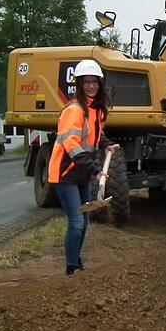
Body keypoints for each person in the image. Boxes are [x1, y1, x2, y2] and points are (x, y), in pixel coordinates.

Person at [49, 59, 116, 275]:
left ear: (100, 84)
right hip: (65, 172)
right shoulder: (74, 110)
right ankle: (71, 268)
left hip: (81, 173)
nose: (91, 86)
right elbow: (71, 144)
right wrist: (96, 169)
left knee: (85, 222)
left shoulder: (96, 109)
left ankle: (76, 261)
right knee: (77, 222)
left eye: (94, 82)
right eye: (86, 82)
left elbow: (96, 133)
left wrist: (105, 144)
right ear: (79, 84)